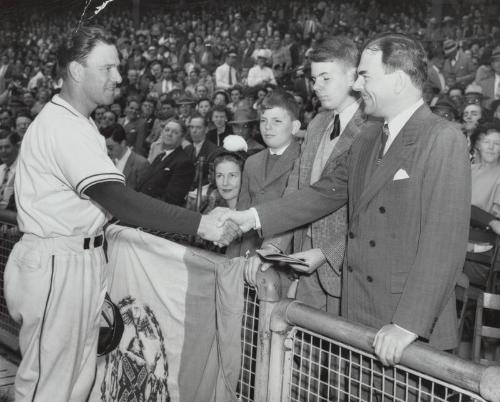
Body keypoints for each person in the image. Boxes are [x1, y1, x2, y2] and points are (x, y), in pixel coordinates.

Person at [4, 26, 238, 402]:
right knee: (48, 387)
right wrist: (201, 223)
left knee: (75, 382)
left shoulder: (79, 122)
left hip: (76, 258)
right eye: (108, 68)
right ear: (77, 71)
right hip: (58, 261)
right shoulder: (62, 126)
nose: (118, 76)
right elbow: (119, 199)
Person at [220, 33, 471, 366]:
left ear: (397, 81)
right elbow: (325, 192)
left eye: (366, 75)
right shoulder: (369, 135)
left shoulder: (442, 138)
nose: (357, 84)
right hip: (358, 310)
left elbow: (444, 242)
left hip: (405, 326)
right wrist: (253, 216)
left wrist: (408, 324)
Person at [251, 37, 381, 313]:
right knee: (307, 348)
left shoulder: (374, 128)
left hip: (346, 268)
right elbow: (295, 192)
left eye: (325, 78)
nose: (316, 86)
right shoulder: (318, 123)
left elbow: (371, 215)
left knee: (340, 353)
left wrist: (326, 253)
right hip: (304, 262)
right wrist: (274, 244)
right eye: (313, 78)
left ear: (352, 76)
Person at [226, 89, 301, 258]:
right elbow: (241, 214)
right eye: (263, 121)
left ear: (295, 127)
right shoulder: (252, 162)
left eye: (277, 121)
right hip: (248, 254)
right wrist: (231, 262)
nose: (268, 127)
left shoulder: (304, 161)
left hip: (284, 257)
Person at [465, 121, 500, 287]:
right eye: (487, 142)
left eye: (497, 143)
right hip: (454, 238)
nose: (491, 147)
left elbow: (496, 223)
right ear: (478, 144)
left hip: (482, 248)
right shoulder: (468, 170)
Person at [136, 119, 194, 206]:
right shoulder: (159, 157)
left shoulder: (184, 163)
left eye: (175, 132)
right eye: (167, 130)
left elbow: (172, 199)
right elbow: (143, 183)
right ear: (162, 133)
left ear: (182, 138)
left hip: (154, 211)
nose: (169, 134)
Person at [103, 123, 149, 189]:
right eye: (104, 147)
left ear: (123, 143)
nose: (107, 151)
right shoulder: (106, 160)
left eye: (110, 148)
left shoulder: (141, 164)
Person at [0, 131, 19, 210]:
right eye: (0, 148)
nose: (3, 151)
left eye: (7, 147)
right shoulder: (0, 168)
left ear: (17, 147)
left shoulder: (23, 170)